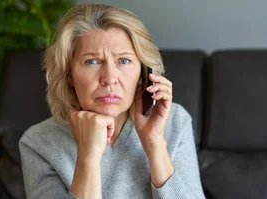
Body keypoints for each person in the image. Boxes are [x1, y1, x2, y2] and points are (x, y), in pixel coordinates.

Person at [19, 4, 205, 199]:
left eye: (123, 61)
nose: (109, 78)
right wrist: (88, 157)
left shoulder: (175, 121)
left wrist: (154, 143)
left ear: (143, 72)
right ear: (69, 75)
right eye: (92, 61)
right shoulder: (37, 142)